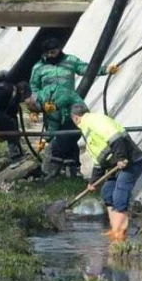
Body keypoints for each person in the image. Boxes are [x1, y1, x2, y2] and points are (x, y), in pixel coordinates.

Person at [29, 38, 118, 177]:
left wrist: (106, 70)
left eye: (53, 52)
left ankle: (72, 168)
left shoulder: (71, 60)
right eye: (48, 54)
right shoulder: (38, 68)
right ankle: (62, 170)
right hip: (50, 108)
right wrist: (35, 108)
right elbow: (33, 88)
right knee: (56, 135)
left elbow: (87, 69)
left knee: (71, 134)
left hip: (70, 106)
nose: (51, 56)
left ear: (59, 49)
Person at [71, 103, 142, 243]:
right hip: (115, 166)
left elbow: (115, 137)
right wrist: (93, 181)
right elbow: (98, 160)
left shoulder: (92, 120)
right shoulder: (86, 129)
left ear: (75, 118)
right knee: (107, 192)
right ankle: (115, 229)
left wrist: (122, 157)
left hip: (131, 161)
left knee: (120, 194)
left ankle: (120, 234)